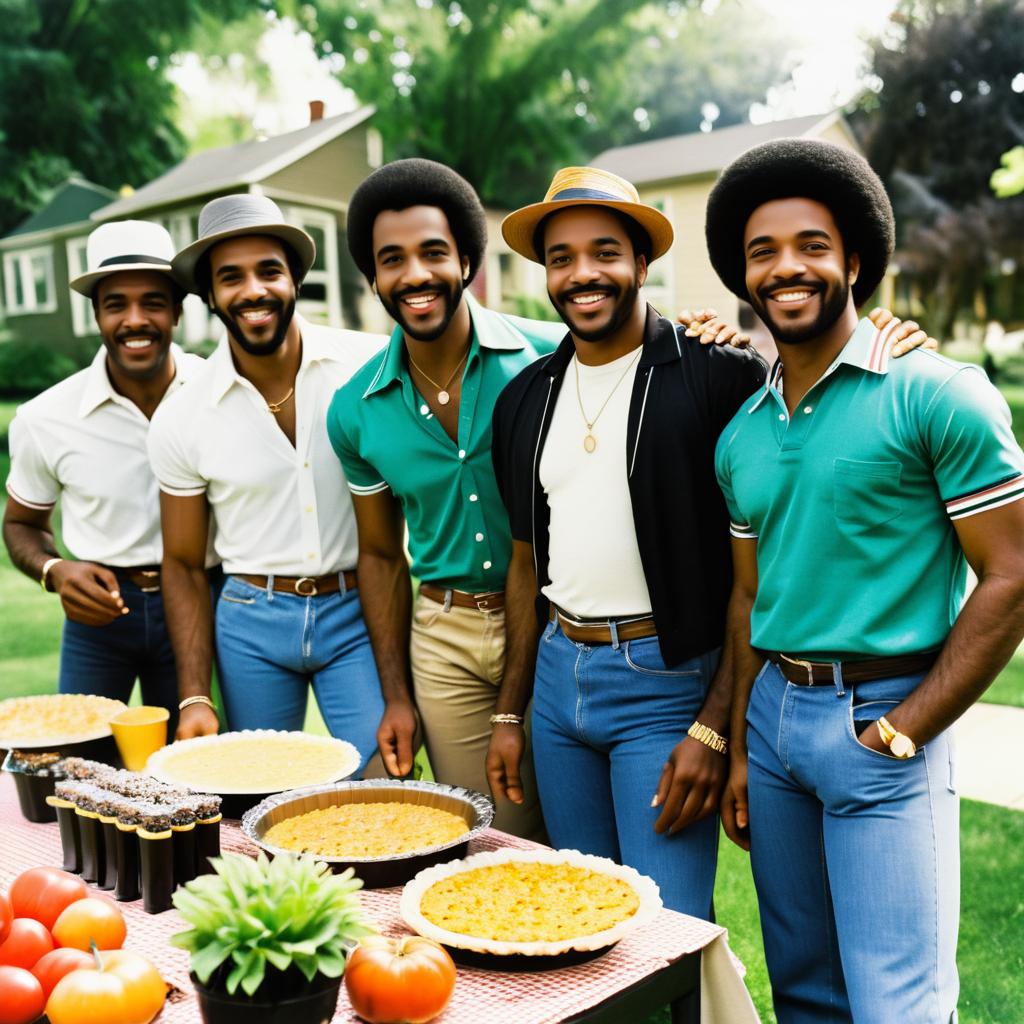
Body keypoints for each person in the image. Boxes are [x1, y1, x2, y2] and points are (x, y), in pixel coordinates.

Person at [708, 139, 1024, 1023]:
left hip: (885, 720)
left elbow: (1013, 576)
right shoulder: (743, 431)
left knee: (900, 1006)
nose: (786, 267)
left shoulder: (937, 395)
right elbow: (747, 596)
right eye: (762, 252)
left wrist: (902, 732)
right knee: (806, 993)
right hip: (772, 726)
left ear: (854, 260)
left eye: (811, 244)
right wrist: (739, 744)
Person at [487, 166, 766, 916]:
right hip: (557, 681)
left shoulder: (718, 375)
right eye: (561, 258)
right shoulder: (523, 399)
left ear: (642, 264)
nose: (584, 274)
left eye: (605, 252)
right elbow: (524, 565)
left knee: (668, 926)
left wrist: (713, 727)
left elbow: (759, 571)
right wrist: (511, 712)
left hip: (665, 683)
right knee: (584, 915)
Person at [327, 160, 561, 838]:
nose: (415, 276)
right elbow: (378, 556)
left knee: (582, 839)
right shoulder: (356, 410)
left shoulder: (550, 359)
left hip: (555, 629)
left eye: (433, 253)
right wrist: (396, 696)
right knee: (493, 839)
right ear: (373, 279)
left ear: (466, 259)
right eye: (390, 260)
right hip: (446, 642)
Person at [147, 194, 386, 769]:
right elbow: (181, 564)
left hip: (358, 608)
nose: (253, 290)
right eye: (231, 277)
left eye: (269, 271)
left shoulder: (369, 366)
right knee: (261, 791)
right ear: (209, 296)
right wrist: (195, 694)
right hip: (250, 619)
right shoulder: (183, 416)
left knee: (381, 778)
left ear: (295, 279)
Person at [3, 221, 204, 725]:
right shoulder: (45, 417)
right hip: (99, 620)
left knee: (198, 771)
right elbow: (21, 524)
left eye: (153, 302)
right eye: (116, 304)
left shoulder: (219, 394)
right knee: (80, 766)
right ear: (96, 314)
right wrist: (54, 571)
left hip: (202, 604)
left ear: (177, 310)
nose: (135, 320)